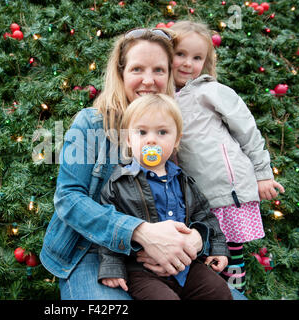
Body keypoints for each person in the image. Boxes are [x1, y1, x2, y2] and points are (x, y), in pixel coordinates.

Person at [40, 28, 206, 300]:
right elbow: (68, 198)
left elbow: (196, 202)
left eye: (159, 70)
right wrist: (141, 232)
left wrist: (196, 238)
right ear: (121, 74)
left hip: (160, 257)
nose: (149, 80)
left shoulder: (173, 129)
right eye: (137, 69)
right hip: (91, 251)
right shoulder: (91, 124)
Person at [169, 20, 285, 294]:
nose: (188, 63)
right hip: (196, 195)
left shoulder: (211, 91)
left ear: (206, 63)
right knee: (206, 255)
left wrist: (263, 173)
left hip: (226, 189)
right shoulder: (164, 98)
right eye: (181, 54)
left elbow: (247, 130)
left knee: (231, 254)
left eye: (197, 58)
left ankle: (237, 294)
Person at [97, 93, 233, 300]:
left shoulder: (184, 181)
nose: (151, 139)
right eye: (141, 132)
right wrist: (112, 266)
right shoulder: (119, 183)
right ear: (128, 139)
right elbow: (108, 226)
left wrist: (218, 247)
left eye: (162, 132)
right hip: (142, 270)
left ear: (176, 139)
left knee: (218, 291)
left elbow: (204, 216)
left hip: (186, 268)